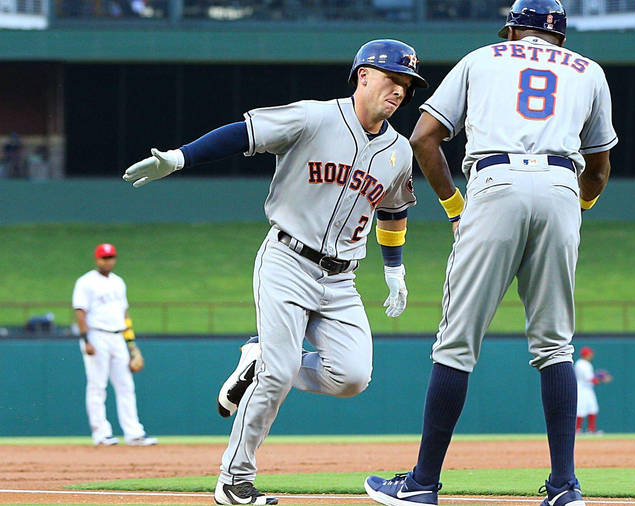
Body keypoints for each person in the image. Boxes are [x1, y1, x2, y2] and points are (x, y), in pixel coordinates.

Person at [122, 39, 427, 505]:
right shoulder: (313, 117)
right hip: (287, 258)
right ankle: (234, 481)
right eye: (393, 79)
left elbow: (393, 210)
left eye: (407, 85)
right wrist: (179, 158)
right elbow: (244, 133)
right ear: (363, 75)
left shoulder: (399, 151)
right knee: (279, 374)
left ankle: (257, 357)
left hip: (342, 279)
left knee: (352, 378)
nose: (400, 91)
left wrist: (394, 270)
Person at [363, 1, 616, 505]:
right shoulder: (589, 71)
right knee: (555, 345)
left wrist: (457, 207)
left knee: (456, 343)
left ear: (513, 30)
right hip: (562, 185)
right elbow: (600, 167)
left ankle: (422, 484)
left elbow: (424, 138)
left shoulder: (483, 58)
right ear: (559, 37)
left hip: (494, 182)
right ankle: (565, 486)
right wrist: (573, 206)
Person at [72, 243, 157, 447]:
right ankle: (101, 434)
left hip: (118, 336)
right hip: (96, 335)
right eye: (104, 257)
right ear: (97, 259)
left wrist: (131, 344)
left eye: (111, 257)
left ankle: (133, 433)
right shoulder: (86, 282)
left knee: (126, 385)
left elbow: (125, 314)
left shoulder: (119, 282)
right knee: (97, 386)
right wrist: (86, 340)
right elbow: (80, 311)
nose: (108, 261)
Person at [574, 346, 612, 435]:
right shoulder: (581, 364)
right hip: (581, 389)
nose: (591, 355)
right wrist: (602, 378)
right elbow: (590, 379)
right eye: (589, 354)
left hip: (588, 389)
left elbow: (591, 379)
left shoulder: (586, 364)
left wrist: (599, 378)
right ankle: (577, 430)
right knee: (581, 409)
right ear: (585, 355)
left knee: (593, 408)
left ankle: (591, 430)